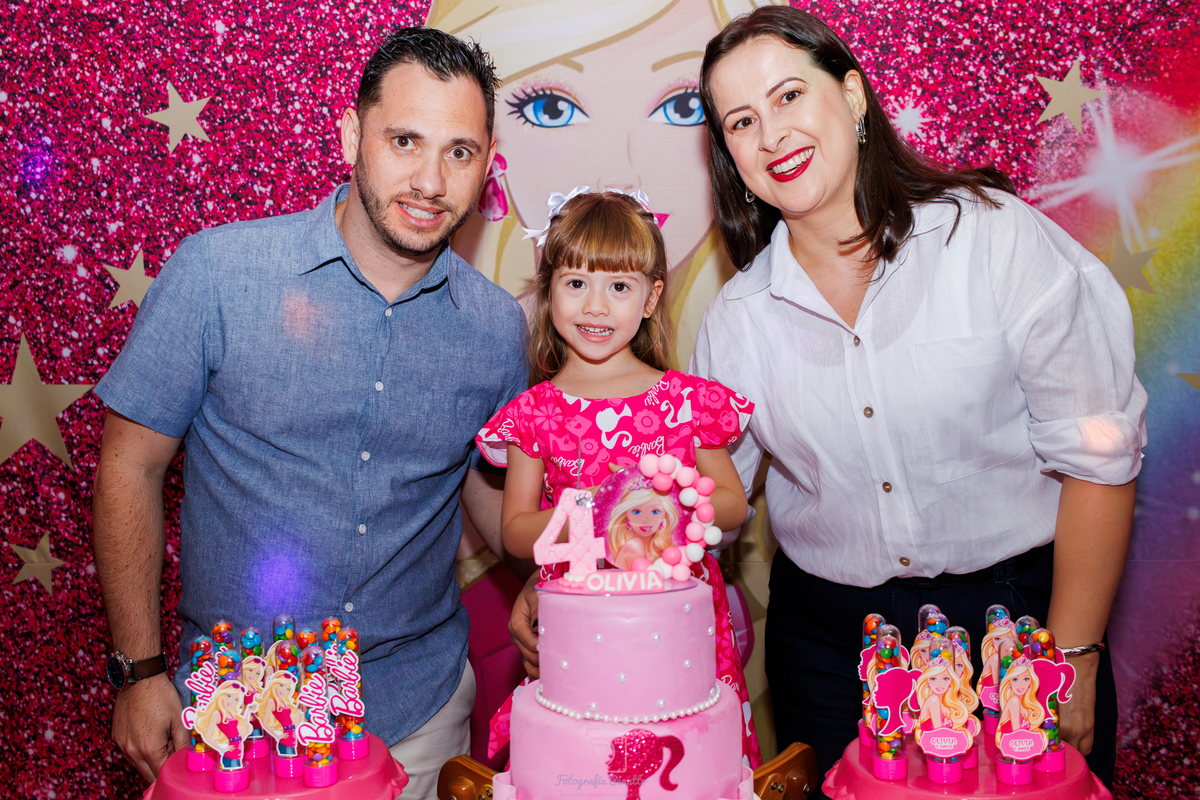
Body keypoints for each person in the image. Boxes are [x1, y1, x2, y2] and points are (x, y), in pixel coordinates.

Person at [690, 5, 1145, 791]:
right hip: (830, 652)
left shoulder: (992, 238)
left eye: (789, 96)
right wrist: (579, 578)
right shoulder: (736, 320)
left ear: (852, 95)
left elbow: (1098, 453)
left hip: (1019, 628)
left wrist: (1072, 654)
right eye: (742, 121)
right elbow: (705, 505)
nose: (771, 135)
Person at [90, 26, 529, 797]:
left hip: (415, 708)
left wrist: (566, 571)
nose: (430, 181)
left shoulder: (496, 328)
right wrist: (139, 668)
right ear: (352, 135)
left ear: (486, 163)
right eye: (404, 141)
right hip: (234, 715)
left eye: (458, 152)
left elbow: (486, 491)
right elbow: (130, 465)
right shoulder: (217, 275)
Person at [474, 190, 761, 766]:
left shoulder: (686, 401)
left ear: (652, 297)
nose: (596, 307)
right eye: (576, 283)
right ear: (549, 289)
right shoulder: (534, 413)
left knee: (691, 765)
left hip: (683, 634)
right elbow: (517, 531)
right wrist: (601, 511)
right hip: (579, 631)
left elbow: (733, 502)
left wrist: (670, 503)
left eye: (619, 287)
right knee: (586, 764)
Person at [428, 0, 782, 369]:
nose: (619, 179)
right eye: (551, 109)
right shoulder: (500, 382)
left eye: (683, 108)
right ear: (489, 154)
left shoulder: (714, 368)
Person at [607, 484, 681, 570]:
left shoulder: (661, 548)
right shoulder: (633, 545)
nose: (645, 520)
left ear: (664, 515)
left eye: (655, 511)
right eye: (636, 511)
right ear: (626, 515)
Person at [195, 682, 253, 769]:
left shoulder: (232, 715)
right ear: (222, 694)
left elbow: (242, 736)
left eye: (236, 699)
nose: (232, 701)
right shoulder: (217, 714)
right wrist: (222, 749)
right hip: (230, 756)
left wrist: (247, 713)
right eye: (229, 696)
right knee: (233, 776)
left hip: (238, 755)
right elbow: (207, 736)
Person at [997, 659, 1046, 741]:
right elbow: (1017, 735)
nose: (1020, 684)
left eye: (1026, 679)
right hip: (1011, 744)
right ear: (1010, 682)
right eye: (1015, 679)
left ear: (1031, 682)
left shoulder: (1027, 706)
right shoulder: (1013, 701)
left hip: (1023, 745)